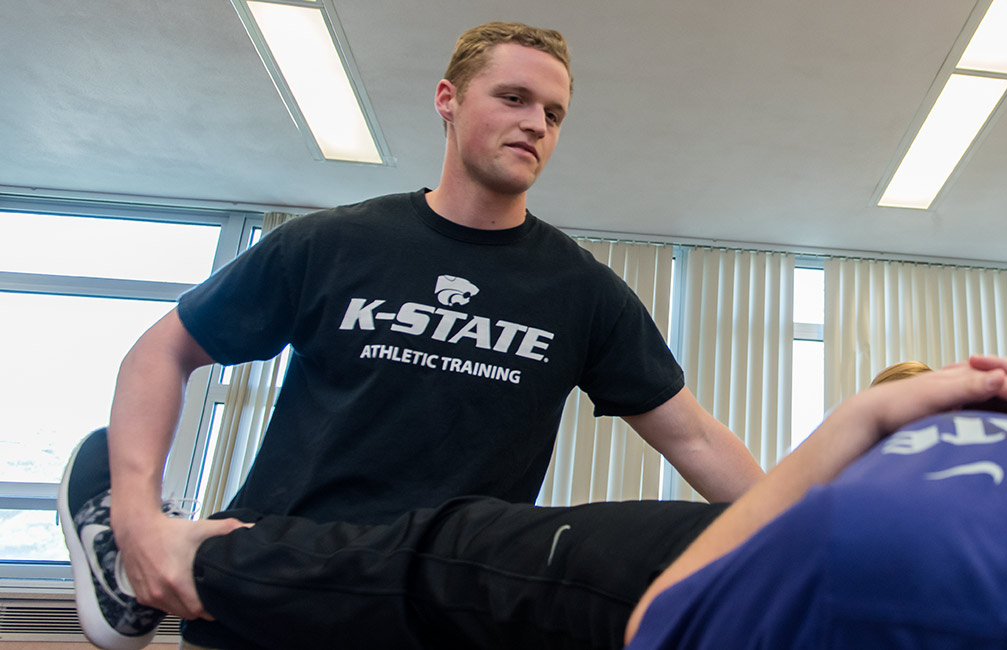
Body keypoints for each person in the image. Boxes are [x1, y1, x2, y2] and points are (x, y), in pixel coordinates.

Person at [63, 267, 1007, 649]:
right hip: (773, 556)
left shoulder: (898, 570)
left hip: (668, 583)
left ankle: (166, 572)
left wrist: (862, 422)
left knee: (429, 559)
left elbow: (674, 620)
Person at [66, 21, 763, 650]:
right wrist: (134, 523)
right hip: (276, 593)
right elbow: (162, 350)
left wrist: (805, 530)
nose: (537, 125)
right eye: (513, 98)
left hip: (443, 612)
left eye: (554, 113)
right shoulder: (335, 244)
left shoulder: (584, 292)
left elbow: (694, 436)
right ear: (448, 99)